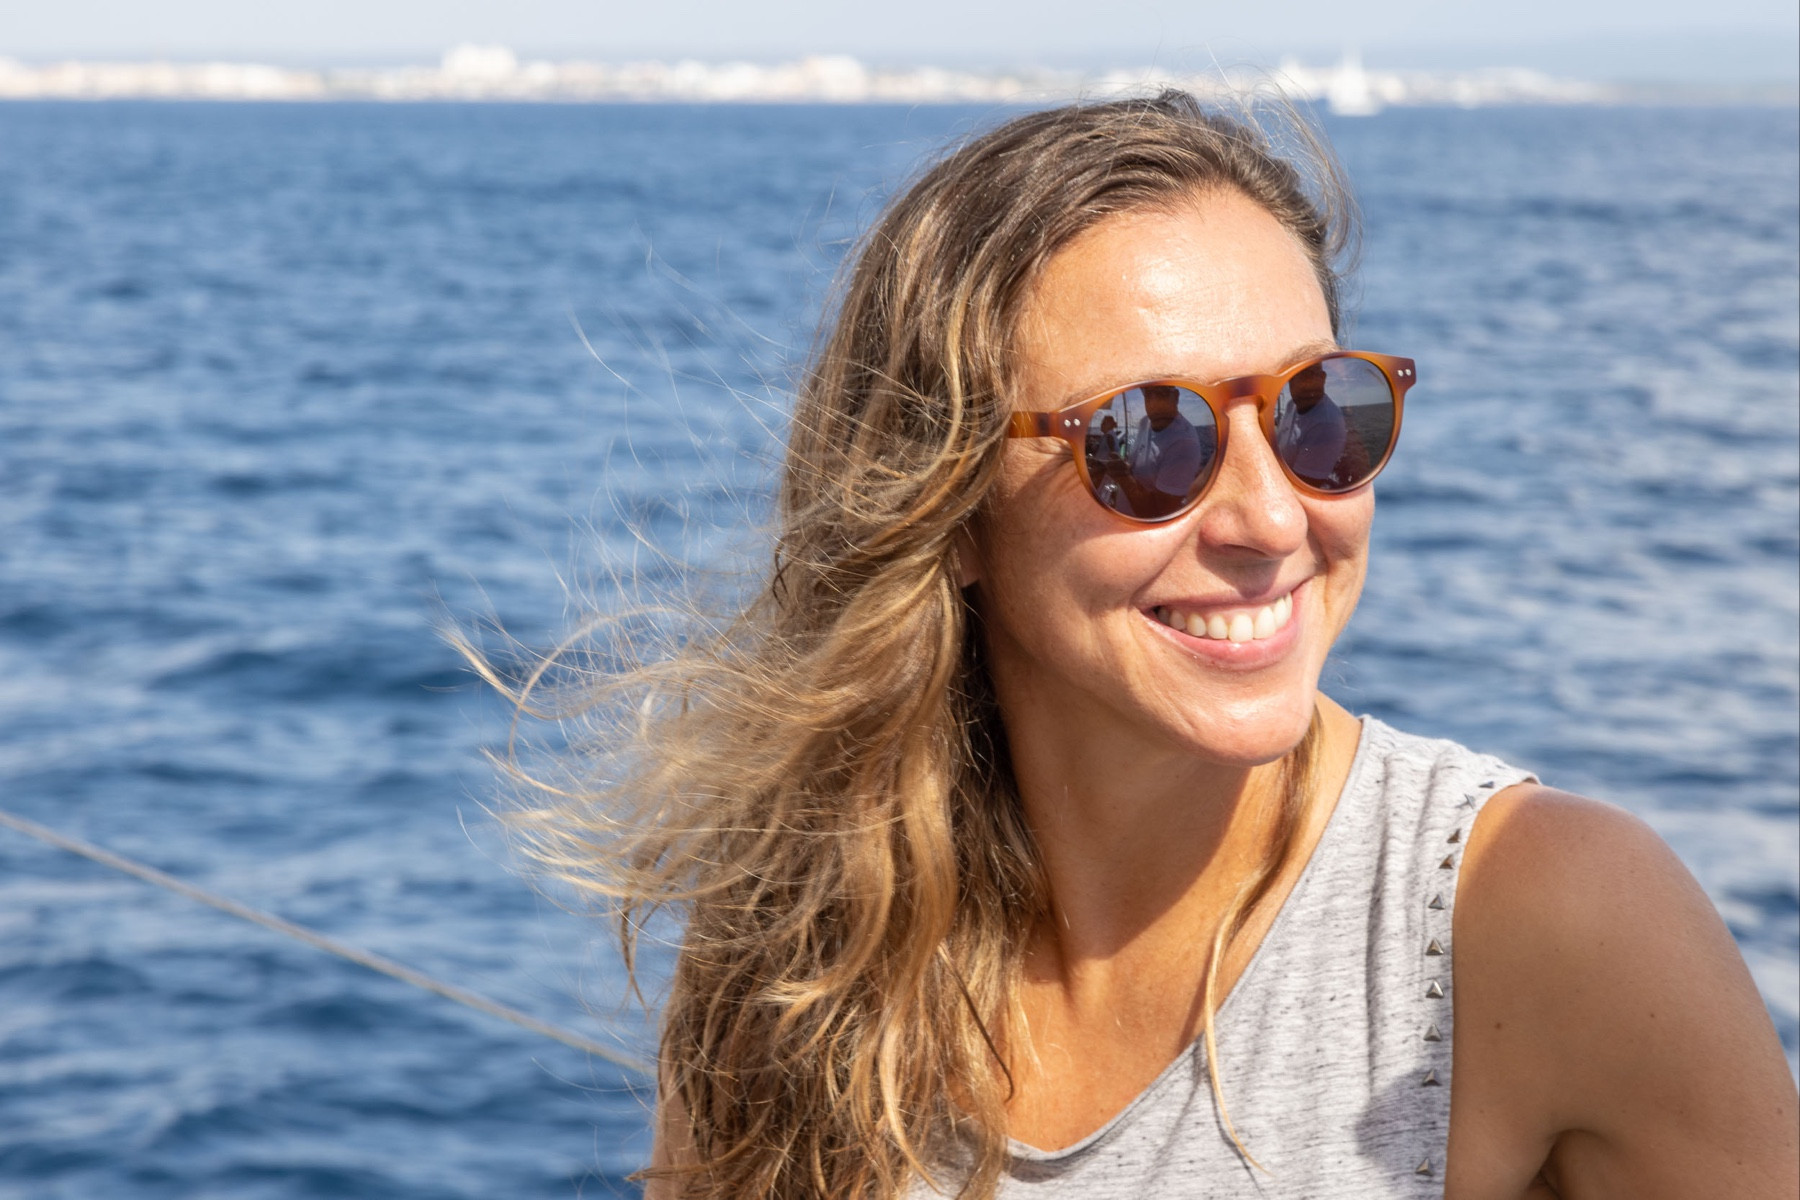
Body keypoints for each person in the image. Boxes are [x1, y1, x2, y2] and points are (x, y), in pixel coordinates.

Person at [512, 94, 1797, 1198]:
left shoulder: (1543, 919)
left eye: (1318, 411)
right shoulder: (803, 943)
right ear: (948, 507)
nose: (1273, 518)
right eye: (1148, 439)